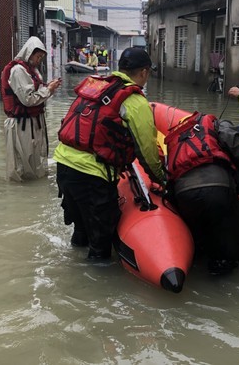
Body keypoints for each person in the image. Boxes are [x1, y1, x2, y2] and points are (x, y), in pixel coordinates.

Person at [54, 47, 165, 260]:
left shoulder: (98, 86)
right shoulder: (134, 101)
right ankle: (95, 289)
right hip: (92, 175)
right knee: (101, 244)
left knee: (80, 232)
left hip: (64, 166)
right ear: (144, 72)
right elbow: (147, 151)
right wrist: (162, 180)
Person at [164, 112, 239, 275]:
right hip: (218, 187)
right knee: (226, 255)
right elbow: (233, 141)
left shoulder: (174, 138)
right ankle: (225, 273)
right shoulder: (213, 122)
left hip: (184, 194)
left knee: (199, 248)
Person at [1, 36, 62, 182]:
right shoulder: (18, 71)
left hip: (33, 122)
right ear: (29, 53)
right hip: (21, 124)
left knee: (35, 158)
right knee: (22, 161)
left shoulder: (32, 71)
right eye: (38, 56)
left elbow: (36, 92)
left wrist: (48, 87)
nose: (39, 60)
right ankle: (20, 195)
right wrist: (49, 90)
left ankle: (35, 186)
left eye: (41, 57)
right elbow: (28, 99)